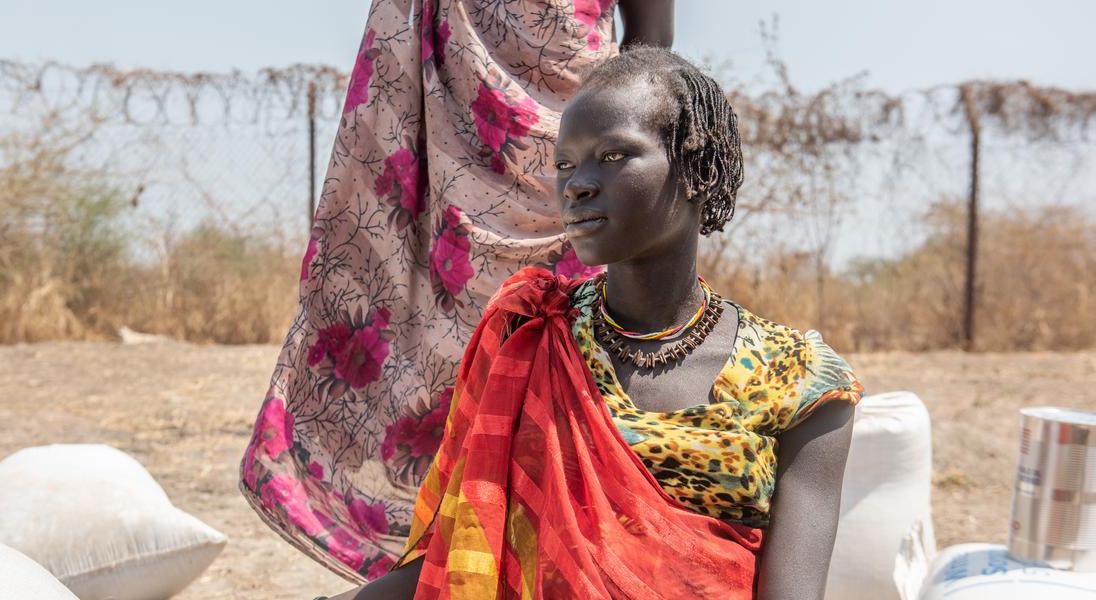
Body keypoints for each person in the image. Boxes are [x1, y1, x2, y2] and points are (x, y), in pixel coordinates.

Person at [319, 46, 864, 600]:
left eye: (612, 155)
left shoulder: (798, 380)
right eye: (565, 163)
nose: (577, 183)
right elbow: (455, 558)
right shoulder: (527, 334)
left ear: (697, 169)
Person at [240, 0, 676, 584]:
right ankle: (450, 568)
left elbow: (652, 46)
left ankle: (553, 568)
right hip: (448, 134)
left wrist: (622, 143)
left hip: (573, 133)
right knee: (454, 368)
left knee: (567, 368)